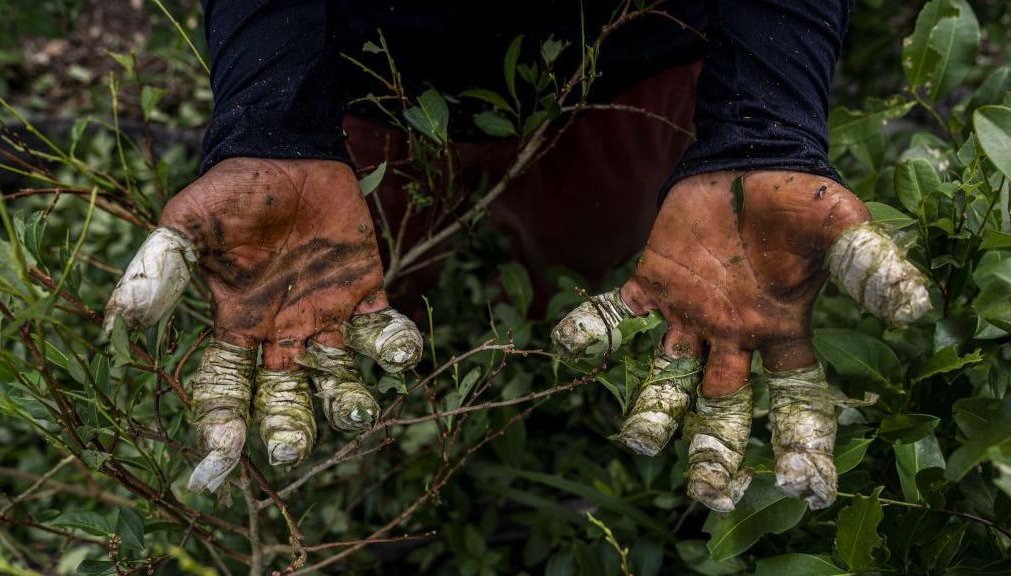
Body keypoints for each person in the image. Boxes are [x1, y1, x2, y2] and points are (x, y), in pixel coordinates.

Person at [105, 0, 929, 511]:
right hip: (360, 68)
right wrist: (272, 119)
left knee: (590, 260)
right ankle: (385, 436)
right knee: (353, 281)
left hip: (624, 61)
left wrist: (764, 124)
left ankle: (538, 375)